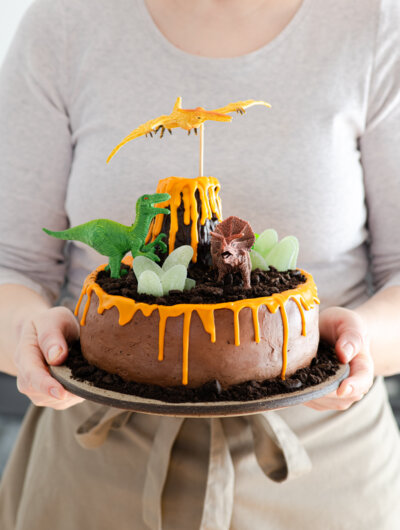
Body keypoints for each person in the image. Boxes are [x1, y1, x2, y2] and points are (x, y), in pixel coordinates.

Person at [0, 0, 400, 528]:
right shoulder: (66, 21)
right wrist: (30, 337)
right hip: (94, 460)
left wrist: (357, 342)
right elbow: (12, 265)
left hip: (325, 467)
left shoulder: (375, 24)